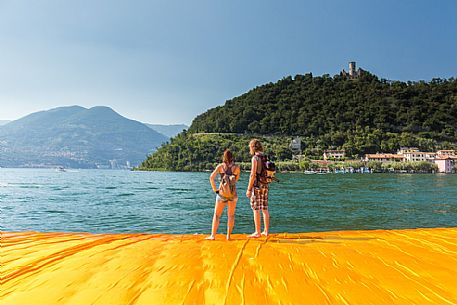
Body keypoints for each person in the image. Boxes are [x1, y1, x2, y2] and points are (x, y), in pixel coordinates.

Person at [206, 149, 240, 240]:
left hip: (221, 194)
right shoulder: (237, 167)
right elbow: (236, 180)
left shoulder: (220, 166)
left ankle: (213, 235)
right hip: (232, 195)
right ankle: (228, 236)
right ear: (232, 157)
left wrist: (215, 190)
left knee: (217, 215)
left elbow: (211, 178)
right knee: (231, 215)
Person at [246, 139, 270, 238]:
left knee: (256, 209)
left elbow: (252, 174)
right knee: (265, 209)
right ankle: (266, 231)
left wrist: (248, 189)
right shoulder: (265, 157)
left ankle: (257, 232)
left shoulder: (255, 158)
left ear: (253, 147)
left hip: (257, 186)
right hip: (265, 184)